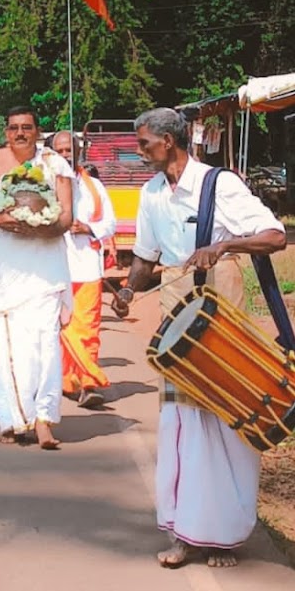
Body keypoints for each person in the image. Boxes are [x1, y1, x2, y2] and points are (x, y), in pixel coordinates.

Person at [112, 107, 286, 569]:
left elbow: (274, 237)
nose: (139, 149)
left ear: (169, 141)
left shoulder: (219, 184)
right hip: (176, 313)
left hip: (221, 311)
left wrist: (223, 245)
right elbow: (147, 259)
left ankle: (224, 535)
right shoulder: (150, 193)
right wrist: (129, 289)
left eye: (145, 142)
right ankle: (186, 531)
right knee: (181, 425)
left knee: (226, 424)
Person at [0, 106, 74, 449]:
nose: (20, 133)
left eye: (26, 127)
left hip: (44, 263)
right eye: (13, 127)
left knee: (45, 342)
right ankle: (13, 418)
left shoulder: (55, 165)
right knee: (5, 343)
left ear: (37, 131)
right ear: (5, 132)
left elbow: (66, 219)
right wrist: (2, 221)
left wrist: (43, 227)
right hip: (5, 266)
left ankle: (44, 418)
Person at [53, 132, 116, 408]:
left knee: (87, 326)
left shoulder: (94, 187)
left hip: (88, 266)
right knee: (61, 327)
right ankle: (68, 380)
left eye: (70, 149)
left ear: (79, 152)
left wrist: (87, 228)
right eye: (61, 150)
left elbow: (110, 223)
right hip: (53, 265)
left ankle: (88, 382)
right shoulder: (42, 182)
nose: (66, 154)